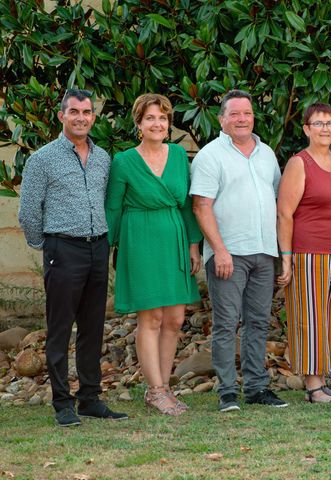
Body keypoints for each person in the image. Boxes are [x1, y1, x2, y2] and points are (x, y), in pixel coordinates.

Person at [18, 88, 128, 426]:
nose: (81, 117)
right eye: (74, 111)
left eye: (87, 112)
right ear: (62, 115)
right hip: (62, 249)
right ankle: (62, 403)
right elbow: (28, 212)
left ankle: (90, 399)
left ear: (93, 117)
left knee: (93, 327)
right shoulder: (43, 159)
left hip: (97, 247)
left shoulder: (102, 157)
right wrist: (47, 246)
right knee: (60, 328)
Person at [105, 93, 203, 416]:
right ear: (138, 124)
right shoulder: (123, 161)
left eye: (162, 118)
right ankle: (156, 390)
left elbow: (188, 205)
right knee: (152, 318)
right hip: (140, 241)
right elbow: (114, 208)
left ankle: (166, 386)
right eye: (150, 118)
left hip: (173, 236)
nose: (157, 124)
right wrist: (110, 248)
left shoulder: (177, 156)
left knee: (174, 318)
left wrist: (193, 244)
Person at [191, 89, 288, 412]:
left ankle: (257, 387)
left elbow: (276, 202)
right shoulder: (210, 155)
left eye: (246, 113)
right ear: (222, 120)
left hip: (263, 252)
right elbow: (202, 206)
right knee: (226, 322)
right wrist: (219, 250)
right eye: (234, 114)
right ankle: (228, 391)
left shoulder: (266, 153)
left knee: (258, 322)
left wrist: (279, 252)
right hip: (228, 254)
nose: (241, 119)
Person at [276, 103, 331, 404]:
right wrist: (286, 256)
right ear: (306, 129)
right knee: (310, 316)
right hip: (310, 250)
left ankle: (324, 380)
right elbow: (285, 213)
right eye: (318, 123)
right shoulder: (299, 163)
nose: (325, 128)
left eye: (329, 122)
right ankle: (314, 387)